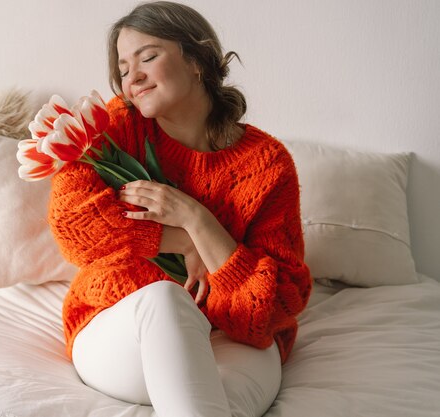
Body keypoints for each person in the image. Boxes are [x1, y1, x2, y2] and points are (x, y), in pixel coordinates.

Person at [48, 2, 312, 416]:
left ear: (198, 60)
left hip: (230, 335)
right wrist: (177, 238)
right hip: (122, 328)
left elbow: (278, 304)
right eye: (122, 67)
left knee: (214, 406)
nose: (131, 77)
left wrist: (198, 220)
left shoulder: (267, 162)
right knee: (166, 301)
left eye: (148, 57)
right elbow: (74, 225)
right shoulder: (111, 128)